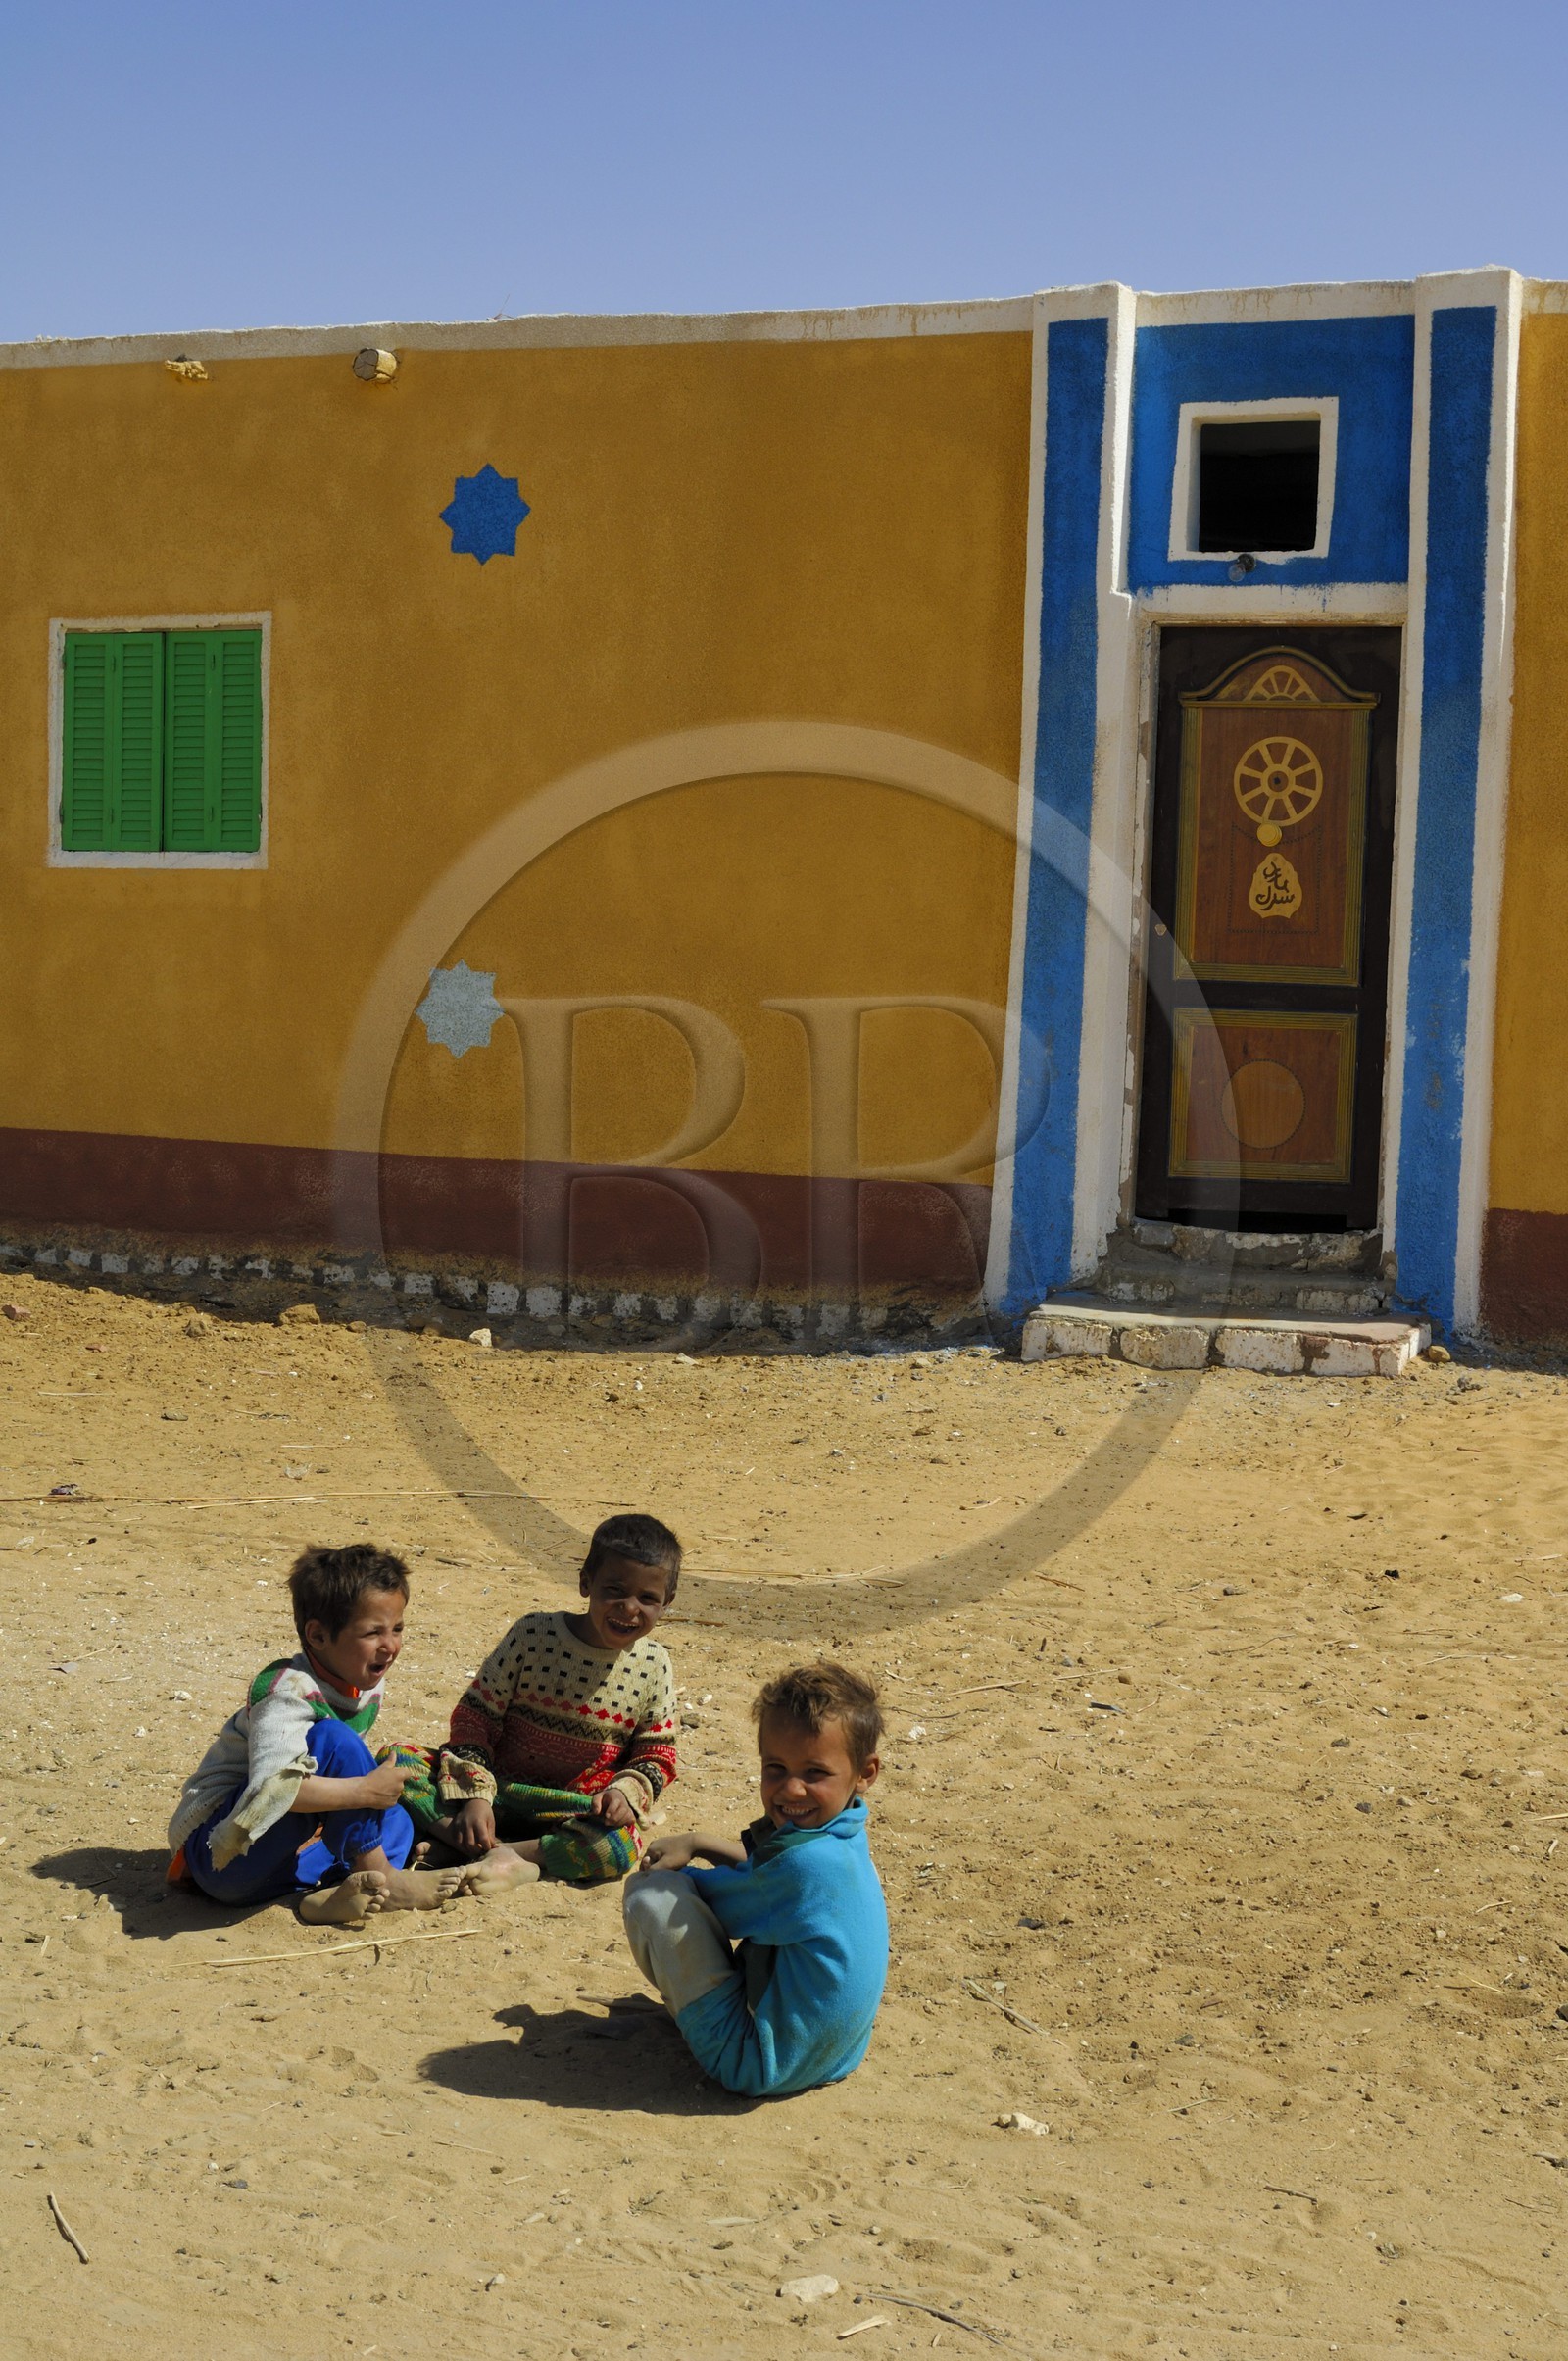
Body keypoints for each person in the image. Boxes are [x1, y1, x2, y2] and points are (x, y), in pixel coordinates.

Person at [622, 1660, 887, 2097]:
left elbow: (721, 1904)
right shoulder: (845, 1835)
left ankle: (706, 2023)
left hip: (757, 2063)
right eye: (776, 1769)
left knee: (651, 1894)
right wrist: (701, 1843)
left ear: (866, 1773)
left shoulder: (807, 1867)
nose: (791, 1789)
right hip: (836, 2057)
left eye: (814, 1773)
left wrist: (673, 1867)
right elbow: (766, 1879)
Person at [167, 1543, 464, 1926]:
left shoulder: (363, 1678)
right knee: (336, 1742)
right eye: (373, 1632)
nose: (390, 1646)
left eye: (398, 1628)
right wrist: (363, 1791)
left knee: (398, 1819)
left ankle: (327, 1895)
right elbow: (272, 1790)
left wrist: (370, 1796)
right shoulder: (286, 1692)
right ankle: (383, 1878)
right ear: (318, 1635)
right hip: (221, 1854)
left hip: (278, 1872)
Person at [397, 1512, 680, 1891]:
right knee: (397, 1761)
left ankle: (497, 1852)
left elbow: (657, 1754)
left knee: (620, 1847)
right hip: (495, 1790)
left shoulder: (654, 1665)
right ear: (586, 1582)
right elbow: (475, 1719)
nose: (629, 1608)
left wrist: (624, 1793)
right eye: (615, 1590)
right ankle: (486, 1845)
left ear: (667, 1602)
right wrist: (475, 1796)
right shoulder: (533, 1635)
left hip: (570, 1810)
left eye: (647, 1598)